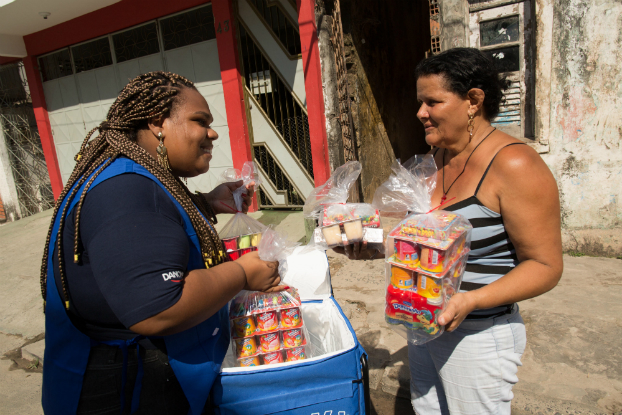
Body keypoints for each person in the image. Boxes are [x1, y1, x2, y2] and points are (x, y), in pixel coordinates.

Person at [40, 71, 282, 415]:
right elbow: (159, 307)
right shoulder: (126, 190)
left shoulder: (129, 174)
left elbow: (149, 227)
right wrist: (242, 274)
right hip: (128, 392)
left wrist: (206, 204)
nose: (212, 133)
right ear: (158, 123)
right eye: (200, 121)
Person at [339, 48, 563, 415]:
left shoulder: (514, 164)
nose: (420, 113)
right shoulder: (432, 162)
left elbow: (545, 265)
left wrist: (471, 300)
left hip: (477, 335)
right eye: (419, 102)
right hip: (424, 326)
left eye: (432, 101)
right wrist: (376, 246)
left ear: (473, 100)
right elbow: (424, 243)